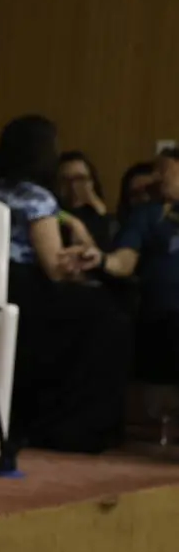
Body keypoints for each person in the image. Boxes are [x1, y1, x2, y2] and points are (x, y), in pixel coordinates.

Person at [0, 115, 129, 452]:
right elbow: (54, 267)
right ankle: (74, 428)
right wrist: (80, 251)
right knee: (110, 319)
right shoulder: (37, 198)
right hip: (23, 289)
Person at [103, 146, 179, 382]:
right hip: (164, 319)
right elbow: (125, 259)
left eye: (163, 170)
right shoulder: (147, 214)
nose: (156, 178)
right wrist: (103, 260)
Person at [56, 150, 115, 250]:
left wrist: (99, 209)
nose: (73, 185)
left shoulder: (100, 213)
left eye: (80, 178)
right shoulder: (52, 211)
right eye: (66, 180)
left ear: (92, 181)